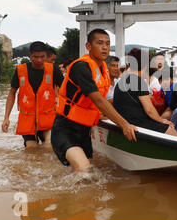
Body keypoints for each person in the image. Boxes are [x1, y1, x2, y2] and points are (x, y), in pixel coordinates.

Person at [51, 29, 137, 172]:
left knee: (84, 173)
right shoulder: (81, 67)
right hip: (65, 128)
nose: (105, 47)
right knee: (84, 169)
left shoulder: (103, 68)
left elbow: (104, 101)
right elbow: (98, 100)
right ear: (88, 46)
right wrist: (124, 125)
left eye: (108, 44)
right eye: (100, 43)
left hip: (84, 131)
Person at [1, 41, 64, 149]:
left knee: (49, 145)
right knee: (31, 148)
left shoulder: (53, 70)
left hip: (47, 118)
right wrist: (6, 117)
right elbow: (12, 93)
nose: (39, 60)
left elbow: (66, 91)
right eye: (36, 57)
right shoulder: (20, 70)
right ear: (30, 55)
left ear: (46, 55)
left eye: (42, 57)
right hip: (27, 119)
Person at [113, 48, 177, 136]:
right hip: (136, 123)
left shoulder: (120, 81)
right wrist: (162, 120)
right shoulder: (138, 81)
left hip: (124, 120)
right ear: (145, 66)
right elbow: (149, 110)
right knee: (170, 128)